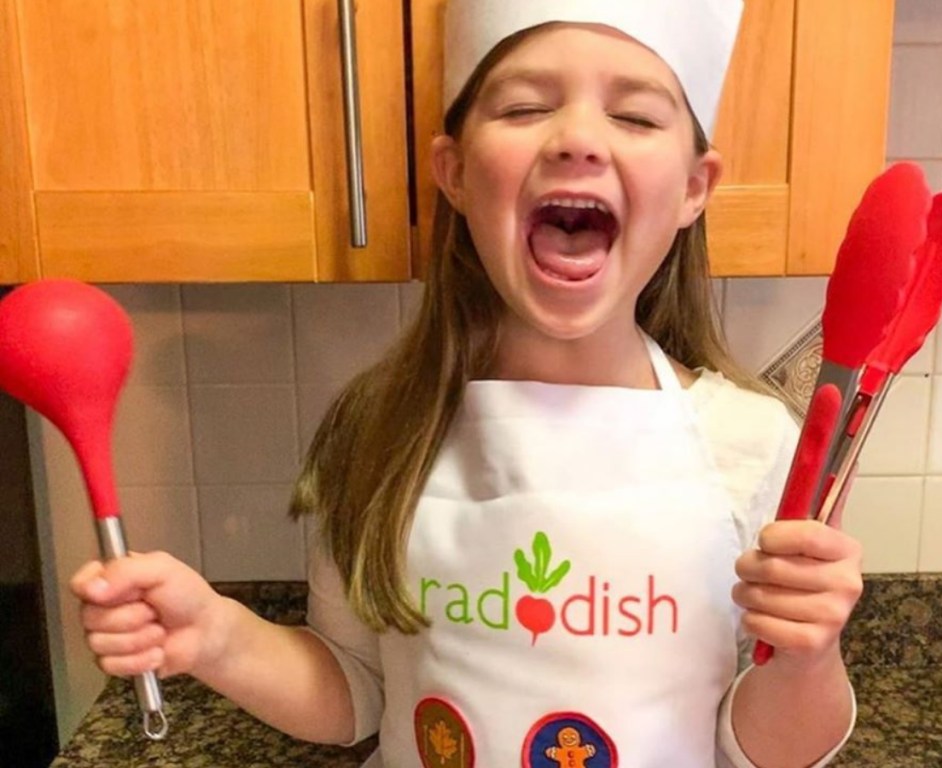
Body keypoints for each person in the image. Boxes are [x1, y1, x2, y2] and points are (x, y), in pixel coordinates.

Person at [70, 1, 864, 765]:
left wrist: (805, 655)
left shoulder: (756, 445)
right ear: (452, 171)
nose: (578, 137)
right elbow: (357, 690)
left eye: (635, 116)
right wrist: (216, 635)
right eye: (524, 108)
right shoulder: (385, 428)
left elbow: (770, 750)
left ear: (695, 186)